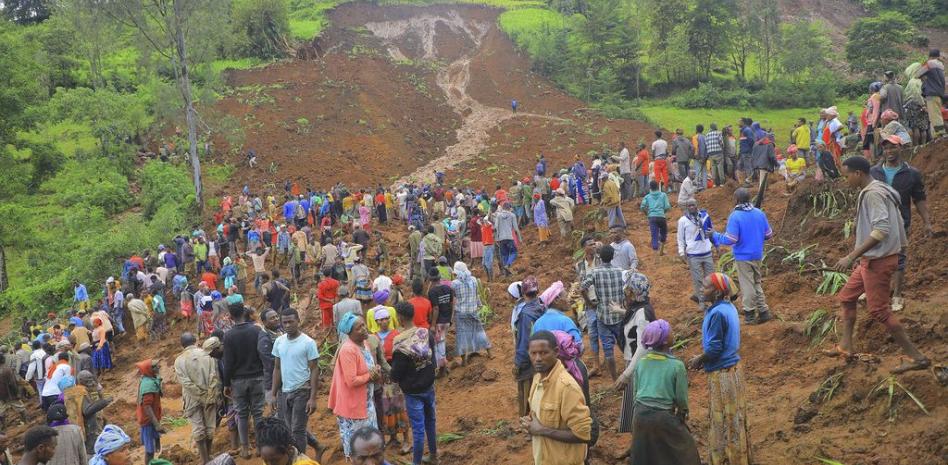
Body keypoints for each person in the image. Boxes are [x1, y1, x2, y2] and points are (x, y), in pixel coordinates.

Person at [831, 156, 930, 373]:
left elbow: (881, 230)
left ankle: (918, 358)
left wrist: (850, 256)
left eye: (847, 175)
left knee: (879, 311)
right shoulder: (878, 189)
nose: (845, 179)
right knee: (847, 298)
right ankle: (846, 346)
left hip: (878, 260)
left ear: (858, 174)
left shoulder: (873, 195)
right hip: (871, 260)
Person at [688, 273, 751, 465]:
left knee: (723, 419)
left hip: (722, 374)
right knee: (735, 418)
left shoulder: (716, 314)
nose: (701, 289)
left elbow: (714, 349)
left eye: (705, 287)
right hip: (733, 371)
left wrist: (699, 359)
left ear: (716, 292)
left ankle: (726, 460)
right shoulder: (727, 307)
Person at [869, 141, 933, 312]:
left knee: (898, 259)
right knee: (874, 256)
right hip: (876, 222)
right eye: (886, 148)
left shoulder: (911, 174)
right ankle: (874, 290)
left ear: (901, 148)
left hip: (900, 222)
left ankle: (897, 295)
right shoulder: (874, 172)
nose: (889, 151)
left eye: (893, 147)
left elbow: (919, 198)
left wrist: (927, 222)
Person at [626, 320, 700, 465]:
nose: (674, 334)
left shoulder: (642, 362)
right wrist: (682, 414)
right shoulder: (677, 366)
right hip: (663, 417)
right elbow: (681, 399)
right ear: (665, 340)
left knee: (645, 454)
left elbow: (636, 392)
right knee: (685, 451)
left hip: (640, 415)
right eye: (671, 332)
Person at [520, 331, 592, 465]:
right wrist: (530, 424)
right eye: (533, 353)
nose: (538, 358)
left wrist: (541, 430)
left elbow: (583, 434)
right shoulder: (537, 379)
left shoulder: (567, 387)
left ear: (556, 352)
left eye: (543, 353)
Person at [712, 188, 773, 324]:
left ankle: (749, 314)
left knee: (747, 285)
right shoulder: (759, 213)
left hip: (743, 256)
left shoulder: (735, 216)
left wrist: (715, 236)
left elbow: (730, 239)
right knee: (757, 282)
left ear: (737, 200)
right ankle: (763, 311)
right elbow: (768, 234)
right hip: (757, 254)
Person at [270, 308, 324, 461]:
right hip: (285, 391)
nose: (287, 325)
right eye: (284, 322)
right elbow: (277, 368)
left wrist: (313, 398)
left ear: (298, 321)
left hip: (302, 389)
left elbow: (314, 369)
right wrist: (273, 394)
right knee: (289, 427)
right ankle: (317, 447)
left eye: (290, 322)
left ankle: (301, 460)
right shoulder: (279, 342)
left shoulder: (308, 343)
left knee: (297, 430)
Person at [390, 302, 438, 465]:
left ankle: (416, 463)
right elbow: (433, 358)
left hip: (412, 392)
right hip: (429, 386)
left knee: (417, 429)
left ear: (401, 318)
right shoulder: (425, 333)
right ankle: (433, 456)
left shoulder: (399, 342)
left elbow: (396, 374)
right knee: (431, 422)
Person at [328, 313, 381, 460]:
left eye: (363, 325)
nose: (364, 329)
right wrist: (371, 376)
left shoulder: (364, 344)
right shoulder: (348, 350)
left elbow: (368, 368)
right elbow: (351, 381)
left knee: (369, 445)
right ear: (349, 333)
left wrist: (375, 370)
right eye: (359, 328)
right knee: (358, 449)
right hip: (353, 407)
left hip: (366, 403)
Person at [614, 272, 657, 435]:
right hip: (635, 364)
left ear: (634, 293)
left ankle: (642, 446)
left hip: (639, 367)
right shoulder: (638, 309)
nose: (625, 293)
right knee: (634, 410)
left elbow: (643, 346)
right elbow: (631, 318)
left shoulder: (642, 314)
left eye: (628, 291)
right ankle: (637, 444)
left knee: (638, 410)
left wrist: (627, 374)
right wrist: (619, 310)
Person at [221, 303, 266, 459]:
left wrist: (226, 384)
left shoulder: (228, 335)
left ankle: (245, 448)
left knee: (242, 414)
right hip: (257, 377)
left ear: (231, 316)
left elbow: (228, 363)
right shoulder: (256, 330)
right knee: (258, 413)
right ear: (245, 313)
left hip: (238, 381)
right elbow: (262, 353)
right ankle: (260, 447)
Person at [174, 332, 221, 465]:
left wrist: (199, 395)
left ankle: (204, 459)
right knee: (210, 427)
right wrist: (208, 395)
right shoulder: (207, 354)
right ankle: (209, 454)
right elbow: (214, 376)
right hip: (210, 396)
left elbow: (186, 383)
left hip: (192, 399)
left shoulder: (179, 361)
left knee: (198, 428)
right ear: (196, 341)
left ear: (182, 345)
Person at [580, 245, 626, 380]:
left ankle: (615, 380)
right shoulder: (620, 271)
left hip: (602, 315)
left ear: (600, 257)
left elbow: (582, 288)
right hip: (618, 314)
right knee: (624, 344)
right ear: (612, 257)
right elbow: (628, 288)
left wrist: (589, 303)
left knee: (608, 350)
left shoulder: (595, 272)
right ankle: (630, 371)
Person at [513, 276, 545, 416]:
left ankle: (528, 424)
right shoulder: (542, 307)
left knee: (527, 392)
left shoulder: (525, 314)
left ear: (524, 293)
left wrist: (519, 363)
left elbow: (524, 341)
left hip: (530, 359)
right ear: (537, 291)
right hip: (544, 354)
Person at [451, 262, 492, 364]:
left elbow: (454, 299)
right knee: (479, 332)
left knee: (462, 336)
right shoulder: (473, 280)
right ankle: (490, 353)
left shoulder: (454, 284)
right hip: (473, 310)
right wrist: (480, 305)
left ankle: (464, 361)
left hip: (461, 313)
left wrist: (451, 315)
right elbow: (476, 295)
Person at [677, 199, 715, 309]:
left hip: (707, 252)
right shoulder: (683, 220)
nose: (691, 207)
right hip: (693, 254)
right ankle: (702, 302)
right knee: (697, 279)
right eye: (688, 205)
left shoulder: (704, 216)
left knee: (711, 279)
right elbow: (680, 238)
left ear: (697, 205)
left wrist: (715, 245)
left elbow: (711, 230)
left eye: (693, 205)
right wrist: (681, 252)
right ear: (686, 207)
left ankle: (712, 301)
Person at [255, 417, 320, 465]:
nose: (269, 464)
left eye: (275, 461)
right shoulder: (270, 458)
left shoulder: (304, 463)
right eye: (265, 461)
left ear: (289, 450)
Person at [134, 359, 163, 465]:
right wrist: (157, 425)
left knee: (154, 446)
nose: (158, 367)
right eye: (155, 366)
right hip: (148, 421)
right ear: (149, 370)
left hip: (152, 419)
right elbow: (147, 407)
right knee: (149, 450)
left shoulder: (151, 379)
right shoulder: (147, 385)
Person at [913, 49, 945, 137]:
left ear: (930, 56)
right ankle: (936, 135)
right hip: (939, 94)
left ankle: (939, 134)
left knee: (934, 115)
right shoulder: (941, 65)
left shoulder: (929, 63)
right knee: (937, 113)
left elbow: (917, 74)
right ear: (938, 56)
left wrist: (924, 77)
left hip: (931, 94)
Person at [427, 269, 454, 376]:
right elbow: (452, 303)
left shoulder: (432, 292)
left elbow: (436, 308)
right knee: (442, 341)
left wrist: (433, 325)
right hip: (447, 320)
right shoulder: (448, 288)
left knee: (437, 345)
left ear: (430, 280)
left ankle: (441, 368)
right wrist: (451, 319)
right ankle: (443, 366)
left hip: (438, 322)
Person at [640, 180, 672, 255]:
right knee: (663, 233)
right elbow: (667, 207)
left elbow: (642, 207)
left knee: (654, 234)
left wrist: (647, 214)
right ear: (658, 187)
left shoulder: (647, 196)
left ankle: (655, 253)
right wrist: (663, 212)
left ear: (650, 188)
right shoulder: (663, 195)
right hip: (661, 217)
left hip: (652, 217)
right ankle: (662, 249)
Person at [903, 62, 931, 144]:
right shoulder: (923, 80)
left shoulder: (913, 81)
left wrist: (922, 104)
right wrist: (925, 105)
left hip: (915, 105)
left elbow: (916, 94)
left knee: (916, 127)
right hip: (925, 104)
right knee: (924, 127)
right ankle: (924, 145)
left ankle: (916, 146)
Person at [494, 202, 522, 276]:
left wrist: (496, 238)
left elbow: (496, 227)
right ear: (509, 208)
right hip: (509, 237)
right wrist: (520, 238)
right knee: (514, 252)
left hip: (501, 239)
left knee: (504, 255)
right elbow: (516, 228)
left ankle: (507, 273)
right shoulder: (512, 215)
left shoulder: (498, 216)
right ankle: (508, 265)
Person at [750, 132, 777, 207]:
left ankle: (764, 194)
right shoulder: (770, 144)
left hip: (757, 164)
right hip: (764, 165)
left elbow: (753, 154)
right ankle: (760, 199)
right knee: (762, 182)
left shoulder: (757, 143)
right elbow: (772, 156)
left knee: (763, 180)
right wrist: (777, 164)